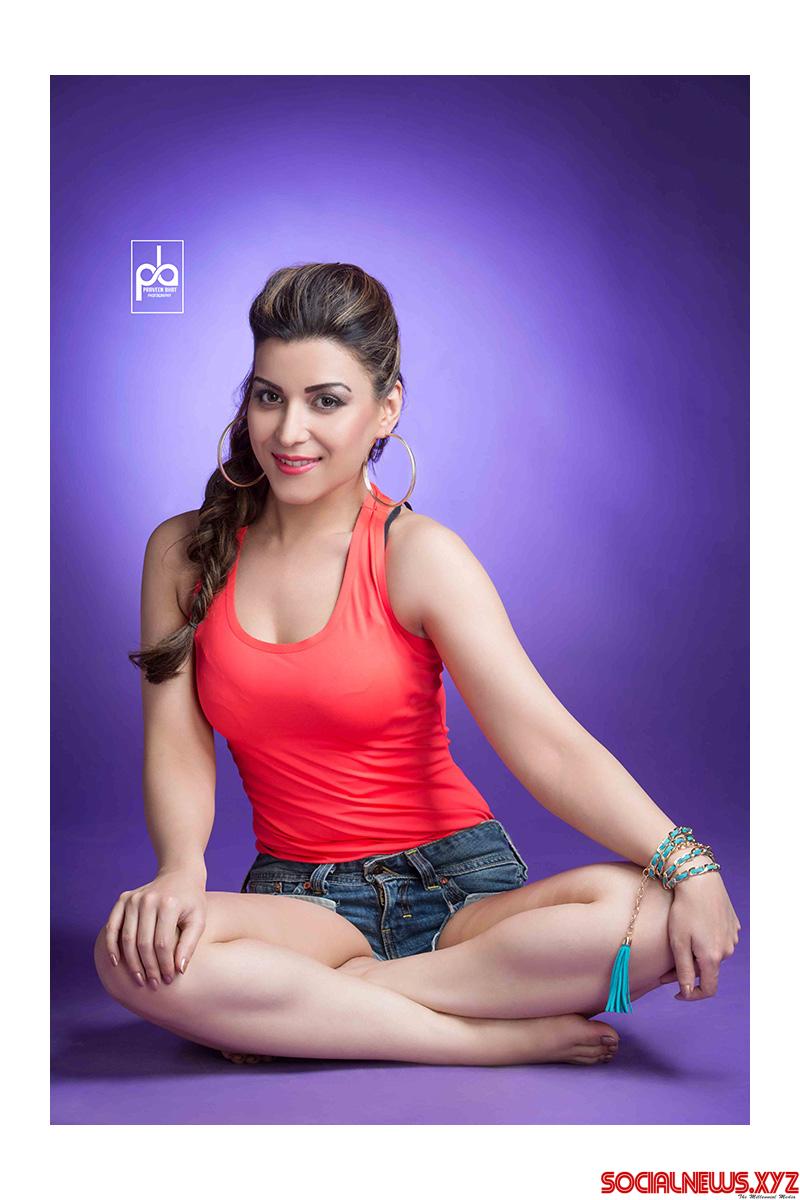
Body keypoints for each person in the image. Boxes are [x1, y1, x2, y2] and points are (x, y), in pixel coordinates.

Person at [94, 262, 741, 1068]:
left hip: (458, 893)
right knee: (127, 955)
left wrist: (690, 864)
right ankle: (478, 1037)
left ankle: (322, 1008)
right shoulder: (182, 553)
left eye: (326, 401)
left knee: (649, 915)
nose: (289, 432)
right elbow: (176, 745)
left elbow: (546, 745)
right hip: (300, 904)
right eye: (269, 396)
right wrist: (179, 872)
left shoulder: (420, 555)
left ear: (386, 408)